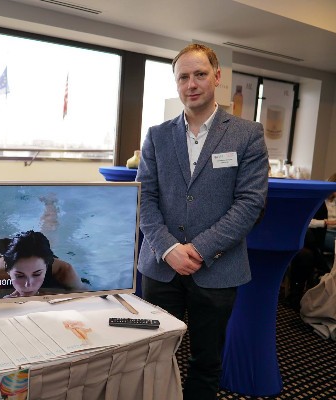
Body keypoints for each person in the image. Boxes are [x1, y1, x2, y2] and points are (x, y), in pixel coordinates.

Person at [136, 43, 268, 400]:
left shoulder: (247, 134)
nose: (191, 84)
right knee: (153, 359)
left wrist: (197, 249)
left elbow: (250, 204)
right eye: (183, 77)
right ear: (176, 83)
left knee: (206, 362)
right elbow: (145, 199)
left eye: (200, 74)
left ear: (217, 76)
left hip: (218, 269)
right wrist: (168, 249)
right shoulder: (157, 136)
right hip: (161, 268)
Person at [288, 172, 336, 308]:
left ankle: (322, 270)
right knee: (307, 239)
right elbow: (306, 222)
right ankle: (322, 270)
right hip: (322, 235)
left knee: (307, 251)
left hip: (330, 237)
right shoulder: (320, 200)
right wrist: (326, 222)